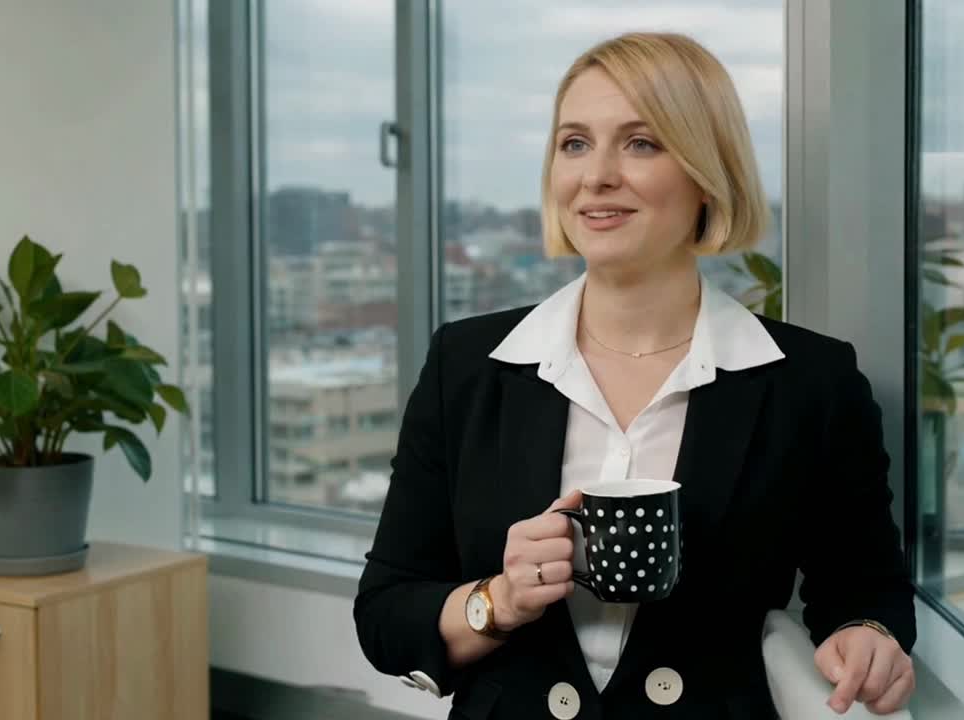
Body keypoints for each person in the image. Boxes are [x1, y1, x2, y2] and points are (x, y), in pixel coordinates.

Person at [354, 31, 916, 719]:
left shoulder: (812, 383)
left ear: (709, 172)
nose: (596, 177)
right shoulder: (467, 367)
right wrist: (499, 600)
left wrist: (870, 637)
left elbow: (866, 591)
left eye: (641, 143)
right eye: (575, 143)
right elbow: (384, 613)